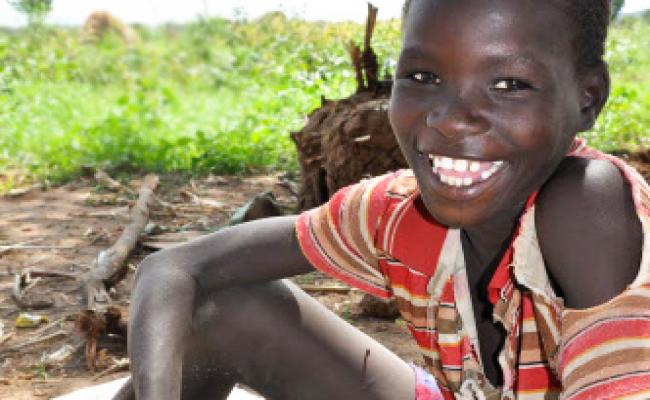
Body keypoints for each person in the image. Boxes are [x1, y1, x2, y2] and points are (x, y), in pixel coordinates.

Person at [118, 0, 649, 399]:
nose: (448, 118)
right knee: (219, 310)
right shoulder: (396, 214)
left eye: (509, 84)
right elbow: (173, 269)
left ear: (588, 98)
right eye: (422, 76)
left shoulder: (586, 205)